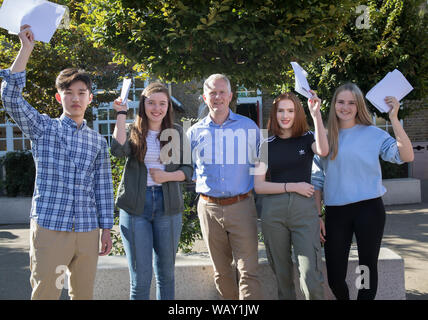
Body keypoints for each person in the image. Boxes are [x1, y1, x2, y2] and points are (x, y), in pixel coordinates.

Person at [0, 25, 114, 300]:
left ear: (90, 98)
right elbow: (10, 98)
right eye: (69, 92)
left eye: (81, 92)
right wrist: (25, 49)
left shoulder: (97, 141)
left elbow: (103, 187)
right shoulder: (43, 128)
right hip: (51, 226)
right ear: (58, 96)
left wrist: (106, 229)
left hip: (87, 229)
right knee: (47, 293)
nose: (75, 98)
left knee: (83, 295)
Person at [311, 83, 414, 300]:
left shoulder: (373, 134)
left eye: (351, 103)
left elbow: (406, 156)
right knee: (336, 277)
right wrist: (317, 215)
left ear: (359, 106)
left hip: (369, 210)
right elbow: (317, 180)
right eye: (341, 102)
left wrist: (394, 118)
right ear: (334, 105)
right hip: (336, 212)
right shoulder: (324, 137)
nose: (345, 107)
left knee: (366, 268)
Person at [110, 82, 193, 300]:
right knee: (141, 278)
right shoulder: (132, 130)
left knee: (166, 275)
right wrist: (120, 113)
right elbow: (118, 150)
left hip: (168, 207)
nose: (157, 108)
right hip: (136, 208)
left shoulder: (175, 132)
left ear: (168, 107)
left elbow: (188, 169)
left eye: (162, 104)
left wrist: (168, 176)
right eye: (151, 103)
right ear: (143, 105)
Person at [186, 74, 263, 300]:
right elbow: (184, 168)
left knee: (248, 271)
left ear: (230, 96)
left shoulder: (250, 128)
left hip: (242, 206)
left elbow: (263, 166)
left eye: (222, 92)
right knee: (221, 273)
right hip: (208, 209)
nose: (217, 97)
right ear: (204, 97)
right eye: (212, 92)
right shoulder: (193, 132)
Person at [254, 91, 328, 300]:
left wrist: (317, 115)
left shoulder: (307, 138)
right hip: (273, 212)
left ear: (298, 114)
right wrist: (292, 186)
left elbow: (324, 151)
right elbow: (258, 186)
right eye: (280, 110)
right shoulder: (264, 144)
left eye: (290, 110)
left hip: (304, 211)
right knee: (283, 277)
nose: (285, 115)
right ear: (274, 113)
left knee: (310, 275)